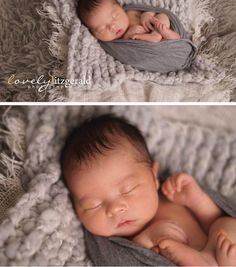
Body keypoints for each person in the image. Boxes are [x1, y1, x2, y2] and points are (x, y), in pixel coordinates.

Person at [61, 114, 236, 267]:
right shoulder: (114, 245)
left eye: (128, 190)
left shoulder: (173, 195)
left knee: (226, 226)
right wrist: (145, 241)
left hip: (222, 255)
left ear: (153, 177)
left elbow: (214, 220)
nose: (115, 208)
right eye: (93, 205)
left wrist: (197, 200)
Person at [76, 0, 181, 43]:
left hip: (158, 30)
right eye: (101, 29)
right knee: (133, 31)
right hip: (156, 48)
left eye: (115, 16)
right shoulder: (114, 45)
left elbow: (151, 10)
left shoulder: (130, 12)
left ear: (120, 6)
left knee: (162, 16)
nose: (112, 27)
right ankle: (163, 37)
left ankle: (166, 35)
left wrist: (147, 15)